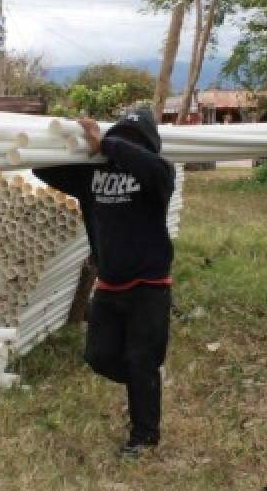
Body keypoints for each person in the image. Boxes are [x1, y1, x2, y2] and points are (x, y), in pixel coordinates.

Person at [33, 107, 176, 456]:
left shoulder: (156, 174)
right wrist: (64, 139)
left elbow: (152, 166)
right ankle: (146, 387)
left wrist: (108, 144)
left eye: (131, 142)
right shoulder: (89, 177)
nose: (119, 146)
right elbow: (40, 167)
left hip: (149, 285)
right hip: (110, 284)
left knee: (141, 359)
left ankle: (144, 437)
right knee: (99, 356)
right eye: (117, 138)